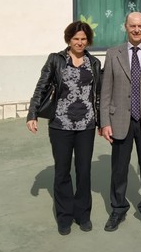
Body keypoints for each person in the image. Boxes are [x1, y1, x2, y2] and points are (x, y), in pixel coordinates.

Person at [26, 21, 102, 235]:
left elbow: (99, 95)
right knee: (62, 171)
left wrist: (102, 122)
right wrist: (32, 114)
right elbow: (41, 86)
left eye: (83, 39)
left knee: (84, 171)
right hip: (60, 125)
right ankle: (64, 217)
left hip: (86, 125)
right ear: (69, 39)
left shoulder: (94, 62)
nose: (80, 42)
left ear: (88, 41)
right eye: (76, 38)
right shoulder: (56, 60)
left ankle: (83, 215)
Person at [100, 12, 141, 233]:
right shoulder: (113, 54)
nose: (136, 29)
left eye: (140, 26)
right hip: (119, 120)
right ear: (125, 27)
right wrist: (104, 122)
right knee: (119, 169)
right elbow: (105, 90)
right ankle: (118, 209)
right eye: (132, 26)